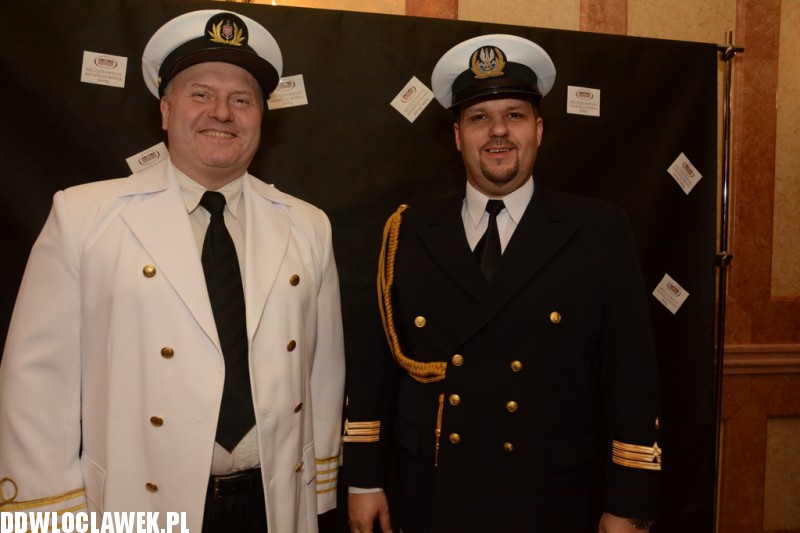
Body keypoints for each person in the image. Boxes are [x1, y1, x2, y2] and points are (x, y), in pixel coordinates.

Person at [0, 9, 344, 533]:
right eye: (201, 94)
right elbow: (37, 380)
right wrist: (50, 517)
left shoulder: (307, 224)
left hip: (272, 502)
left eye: (242, 100)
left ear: (261, 116)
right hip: (139, 504)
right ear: (165, 110)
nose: (221, 113)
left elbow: (323, 368)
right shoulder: (84, 216)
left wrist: (320, 484)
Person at [343, 34, 661, 532]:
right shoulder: (408, 232)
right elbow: (373, 372)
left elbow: (632, 380)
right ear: (457, 136)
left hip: (551, 498)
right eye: (479, 118)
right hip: (433, 493)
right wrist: (363, 480)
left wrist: (628, 504)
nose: (498, 131)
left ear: (539, 129)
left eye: (514, 115)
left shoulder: (599, 230)